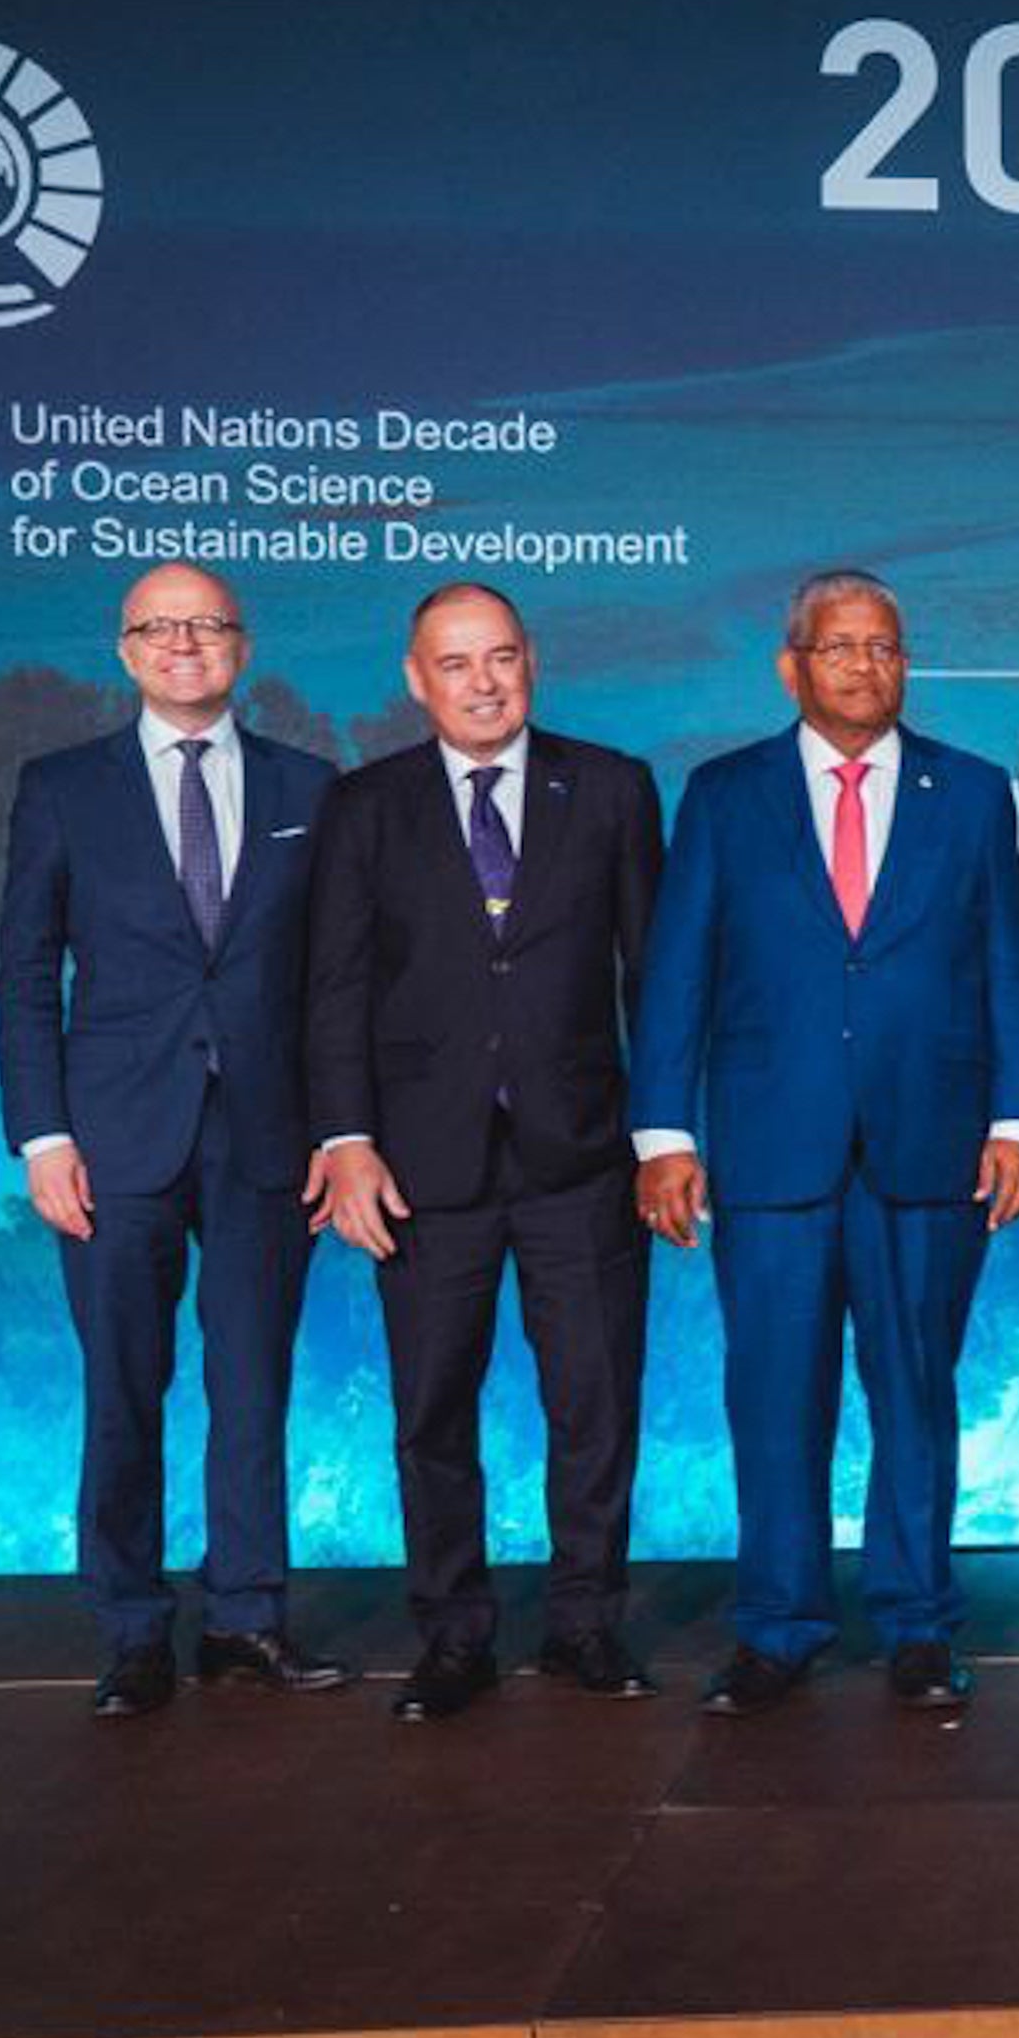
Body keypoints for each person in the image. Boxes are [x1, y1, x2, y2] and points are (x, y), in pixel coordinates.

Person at [627, 569, 1019, 1715]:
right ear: (792, 666)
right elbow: (679, 972)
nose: (867, 666)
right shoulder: (724, 795)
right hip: (770, 1155)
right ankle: (777, 1625)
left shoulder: (971, 794)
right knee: (774, 1397)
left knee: (917, 1391)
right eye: (841, 647)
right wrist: (662, 1133)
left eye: (886, 647)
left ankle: (917, 1624)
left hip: (932, 1146)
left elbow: (1010, 963)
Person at [303, 583, 666, 1721]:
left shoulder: (610, 788)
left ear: (531, 663)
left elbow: (652, 981)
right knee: (431, 1412)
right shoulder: (365, 808)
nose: (483, 682)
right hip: (423, 1168)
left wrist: (662, 1138)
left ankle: (584, 1625)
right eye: (455, 664)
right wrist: (348, 1142)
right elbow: (335, 989)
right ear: (416, 679)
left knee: (595, 1405)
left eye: (500, 657)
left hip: (583, 1159)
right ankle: (453, 1635)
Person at [0, 563, 346, 1715]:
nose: (184, 643)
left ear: (242, 646)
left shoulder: (312, 785)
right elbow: (26, 975)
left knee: (253, 1390)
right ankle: (133, 1627)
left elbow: (337, 982)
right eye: (161, 627)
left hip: (265, 1139)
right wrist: (42, 1137)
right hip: (112, 1139)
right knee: (123, 1389)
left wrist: (342, 1133)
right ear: (125, 649)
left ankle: (248, 1617)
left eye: (206, 625)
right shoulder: (62, 788)